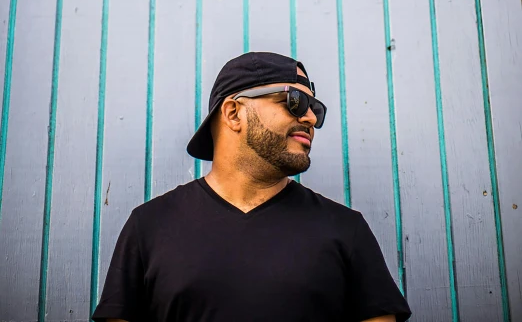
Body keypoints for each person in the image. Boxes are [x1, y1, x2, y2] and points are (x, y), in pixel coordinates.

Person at [92, 51, 412, 322]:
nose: (311, 119)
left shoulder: (345, 229)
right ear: (233, 113)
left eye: (316, 109)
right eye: (295, 101)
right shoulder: (149, 226)